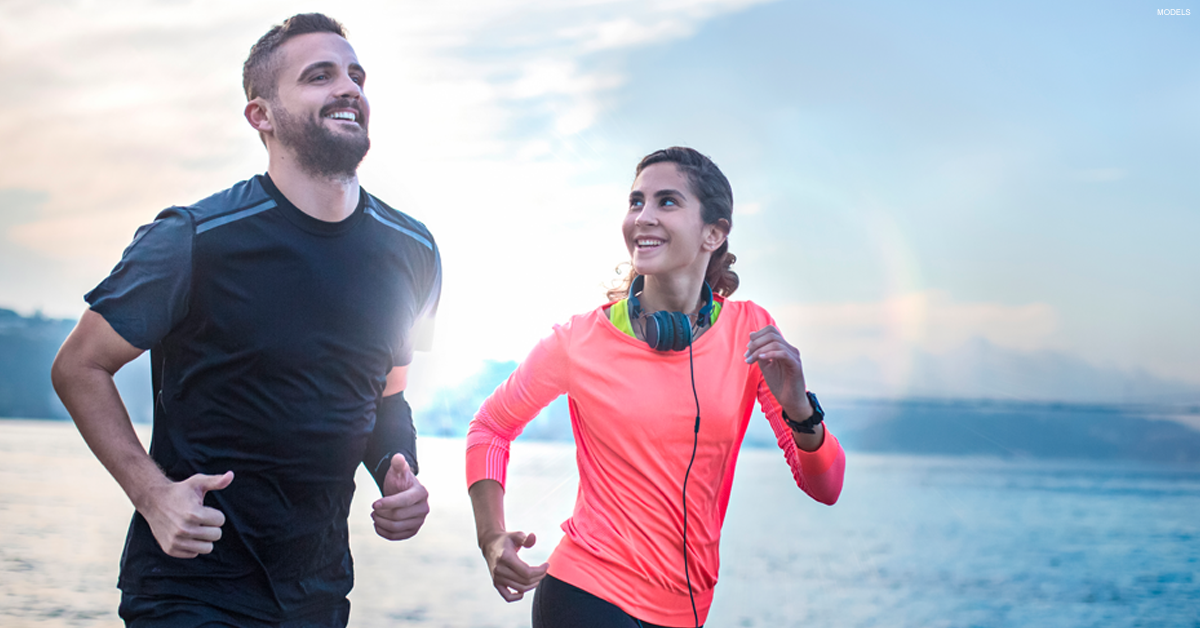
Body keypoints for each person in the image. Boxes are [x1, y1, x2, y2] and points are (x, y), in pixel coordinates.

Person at [50, 13, 440, 627]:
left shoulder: (413, 251)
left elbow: (386, 399)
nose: (348, 88)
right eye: (319, 76)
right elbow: (79, 365)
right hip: (190, 588)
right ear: (261, 115)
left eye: (355, 75)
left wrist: (401, 477)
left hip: (318, 592)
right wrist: (152, 495)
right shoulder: (194, 239)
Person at [466, 147, 846, 628]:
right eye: (636, 202)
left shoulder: (751, 333)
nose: (643, 217)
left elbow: (826, 486)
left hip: (686, 610)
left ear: (714, 232)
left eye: (667, 202)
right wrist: (491, 537)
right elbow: (489, 428)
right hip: (586, 594)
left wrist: (798, 409)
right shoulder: (578, 340)